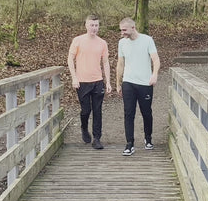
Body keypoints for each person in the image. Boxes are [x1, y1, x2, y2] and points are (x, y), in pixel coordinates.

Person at [116, 17, 160, 156]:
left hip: (145, 83)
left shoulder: (147, 40)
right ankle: (129, 144)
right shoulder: (122, 43)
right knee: (128, 113)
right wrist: (118, 83)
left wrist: (155, 74)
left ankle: (148, 139)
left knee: (146, 112)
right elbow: (120, 63)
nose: (122, 33)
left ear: (133, 28)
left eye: (124, 30)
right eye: (121, 30)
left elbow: (155, 59)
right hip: (128, 82)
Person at [68, 14, 112, 149]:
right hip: (82, 81)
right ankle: (84, 127)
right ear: (86, 25)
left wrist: (108, 81)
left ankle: (97, 138)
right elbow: (70, 59)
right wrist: (74, 77)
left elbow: (105, 63)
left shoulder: (102, 43)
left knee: (97, 110)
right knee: (86, 110)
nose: (94, 28)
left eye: (96, 25)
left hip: (97, 81)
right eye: (92, 25)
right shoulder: (78, 40)